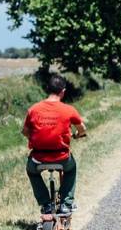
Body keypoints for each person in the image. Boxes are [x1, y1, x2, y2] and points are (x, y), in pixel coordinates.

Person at [22, 74, 86, 214]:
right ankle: (66, 203)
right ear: (62, 91)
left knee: (32, 171)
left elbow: (25, 131)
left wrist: (35, 138)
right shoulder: (68, 109)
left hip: (38, 158)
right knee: (71, 168)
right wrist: (77, 135)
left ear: (47, 89)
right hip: (61, 157)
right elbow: (82, 129)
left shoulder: (33, 109)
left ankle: (46, 204)